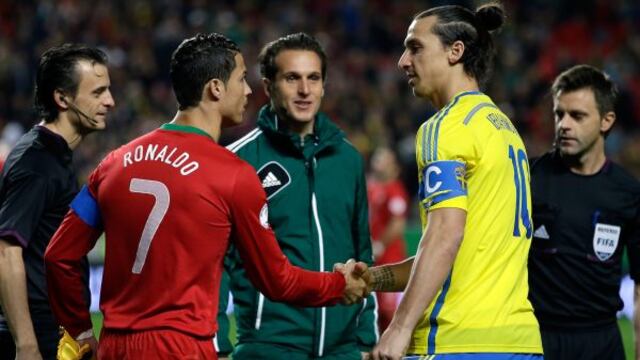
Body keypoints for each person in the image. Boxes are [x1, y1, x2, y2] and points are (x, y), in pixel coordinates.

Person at [44, 33, 368, 360]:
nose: (247, 90)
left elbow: (58, 255)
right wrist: (338, 287)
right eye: (241, 79)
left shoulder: (113, 164)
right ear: (215, 88)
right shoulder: (233, 174)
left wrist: (81, 330)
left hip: (115, 346)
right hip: (181, 347)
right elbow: (276, 281)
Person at [347, 3, 544, 360]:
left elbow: (444, 236)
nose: (403, 61)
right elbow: (457, 253)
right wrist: (372, 280)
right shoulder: (503, 128)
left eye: (415, 47)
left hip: (458, 340)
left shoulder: (446, 127)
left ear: (456, 51)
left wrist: (399, 327)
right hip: (517, 341)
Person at [216, 32, 378, 360]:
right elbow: (217, 263)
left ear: (323, 85)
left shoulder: (348, 159)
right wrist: (218, 345)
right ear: (268, 86)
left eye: (313, 78)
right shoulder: (238, 162)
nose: (305, 90)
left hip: (343, 350)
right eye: (292, 78)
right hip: (268, 347)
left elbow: (362, 252)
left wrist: (365, 340)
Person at [0, 44, 114, 360]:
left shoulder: (54, 156)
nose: (110, 102)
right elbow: (6, 251)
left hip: (55, 328)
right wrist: (26, 345)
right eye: (98, 92)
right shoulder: (36, 163)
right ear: (62, 99)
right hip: (37, 333)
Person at [527, 64, 640, 360]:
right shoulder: (529, 178)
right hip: (537, 338)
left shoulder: (627, 193)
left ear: (606, 121)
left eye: (577, 116)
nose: (564, 124)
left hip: (601, 342)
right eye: (558, 114)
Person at [366, 147, 409, 332]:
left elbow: (398, 222)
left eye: (383, 158)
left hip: (391, 259)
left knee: (388, 311)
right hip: (375, 259)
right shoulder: (373, 188)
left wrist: (380, 245)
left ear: (393, 166)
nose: (378, 162)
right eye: (377, 157)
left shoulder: (395, 190)